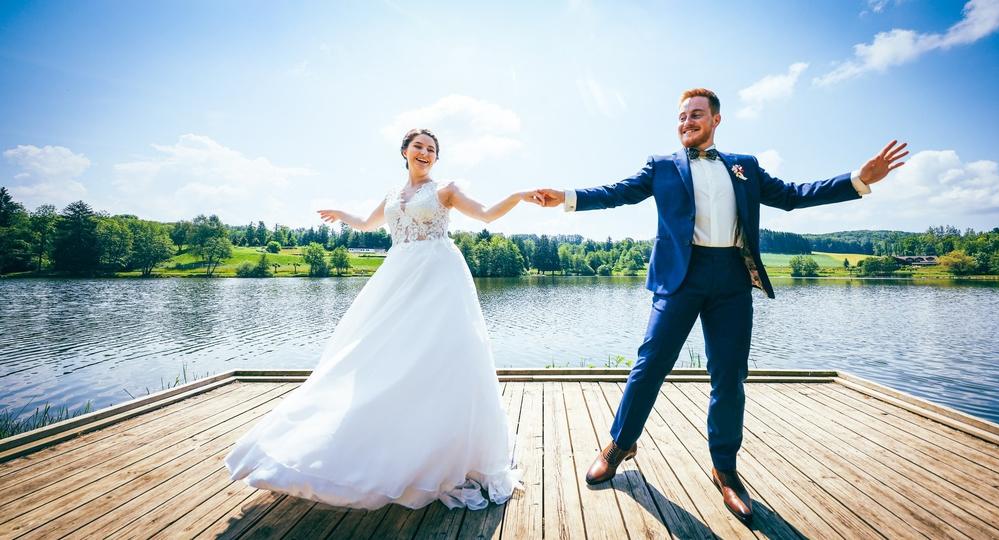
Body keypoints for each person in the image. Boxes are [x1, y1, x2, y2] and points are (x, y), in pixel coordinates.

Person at [534, 88, 907, 523]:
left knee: (729, 375)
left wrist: (857, 180)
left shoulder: (744, 167)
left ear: (715, 120)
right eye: (681, 116)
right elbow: (618, 192)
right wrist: (567, 196)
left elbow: (792, 194)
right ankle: (620, 445)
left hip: (732, 278)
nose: (686, 122)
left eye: (695, 115)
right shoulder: (661, 166)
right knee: (650, 363)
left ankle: (725, 469)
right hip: (680, 278)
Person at [225, 128, 542, 510]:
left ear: (436, 158)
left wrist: (519, 196)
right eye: (418, 146)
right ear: (405, 152)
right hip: (398, 276)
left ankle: (445, 449)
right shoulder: (392, 195)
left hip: (439, 275)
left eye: (431, 149)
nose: (424, 153)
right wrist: (343, 214)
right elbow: (366, 223)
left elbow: (487, 214)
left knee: (441, 353)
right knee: (377, 352)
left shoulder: (446, 190)